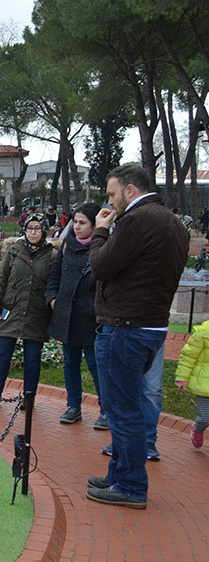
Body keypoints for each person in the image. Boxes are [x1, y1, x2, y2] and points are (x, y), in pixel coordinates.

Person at [86, 164, 188, 509]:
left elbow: (101, 266)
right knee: (125, 406)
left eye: (112, 194)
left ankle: (130, 485)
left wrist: (100, 231)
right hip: (151, 326)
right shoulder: (173, 222)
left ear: (130, 190)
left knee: (122, 409)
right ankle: (119, 474)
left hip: (126, 327)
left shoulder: (136, 220)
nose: (110, 202)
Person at [45, 202, 107, 428]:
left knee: (96, 365)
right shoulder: (66, 246)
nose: (77, 227)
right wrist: (53, 300)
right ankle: (73, 406)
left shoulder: (103, 248)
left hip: (91, 319)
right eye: (75, 222)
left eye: (83, 223)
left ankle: (105, 409)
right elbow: (54, 277)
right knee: (70, 364)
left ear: (94, 224)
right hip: (67, 316)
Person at [0, 217, 54, 408]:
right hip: (11, 309)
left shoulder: (52, 254)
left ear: (44, 231)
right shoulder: (15, 251)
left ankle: (29, 397)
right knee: (2, 355)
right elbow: (1, 278)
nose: (33, 232)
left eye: (37, 229)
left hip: (36, 311)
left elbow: (54, 284)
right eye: (29, 228)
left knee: (32, 359)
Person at [175, 319, 209, 448]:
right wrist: (181, 377)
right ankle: (198, 428)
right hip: (205, 385)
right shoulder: (203, 333)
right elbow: (188, 356)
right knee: (206, 417)